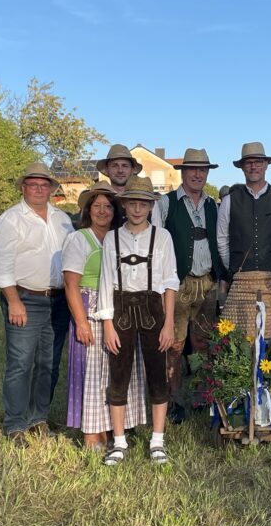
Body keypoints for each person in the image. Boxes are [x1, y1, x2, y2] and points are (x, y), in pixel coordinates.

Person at [0, 162, 74, 447]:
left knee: (48, 364)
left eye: (44, 185)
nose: (39, 189)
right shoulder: (10, 220)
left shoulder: (62, 219)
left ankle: (38, 418)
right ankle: (15, 424)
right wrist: (13, 301)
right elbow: (0, 266)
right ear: (23, 187)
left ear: (51, 188)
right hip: (25, 297)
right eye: (33, 184)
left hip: (58, 299)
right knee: (20, 364)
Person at [99, 176, 180, 466]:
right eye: (132, 203)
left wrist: (169, 323)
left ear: (150, 206)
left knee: (158, 373)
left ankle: (157, 439)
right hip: (120, 308)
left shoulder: (163, 237)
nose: (137, 209)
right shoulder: (112, 238)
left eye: (143, 204)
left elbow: (170, 281)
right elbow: (106, 281)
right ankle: (119, 442)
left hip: (153, 308)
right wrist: (108, 323)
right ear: (124, 205)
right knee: (118, 373)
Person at [62, 182, 147, 451]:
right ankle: (91, 434)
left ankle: (111, 428)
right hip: (89, 306)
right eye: (96, 206)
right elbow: (71, 284)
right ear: (88, 210)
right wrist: (81, 321)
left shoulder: (115, 239)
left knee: (113, 372)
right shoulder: (79, 238)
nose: (102, 211)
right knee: (90, 373)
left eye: (107, 206)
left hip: (116, 308)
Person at [152, 148, 226, 426]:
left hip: (207, 282)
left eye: (202, 170)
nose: (197, 174)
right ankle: (176, 400)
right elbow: (158, 243)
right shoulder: (166, 203)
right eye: (192, 169)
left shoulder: (213, 205)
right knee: (175, 344)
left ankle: (201, 396)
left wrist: (221, 276)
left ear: (207, 173)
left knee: (203, 343)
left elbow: (220, 242)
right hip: (178, 283)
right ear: (183, 172)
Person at [216, 142, 271, 294]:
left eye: (258, 162)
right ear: (242, 167)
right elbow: (222, 239)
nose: (253, 167)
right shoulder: (228, 201)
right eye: (249, 163)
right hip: (241, 281)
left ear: (266, 165)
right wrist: (233, 267)